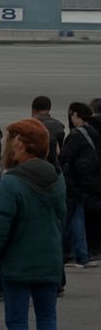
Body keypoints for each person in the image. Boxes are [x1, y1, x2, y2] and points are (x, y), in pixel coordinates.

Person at [0, 119, 66, 330]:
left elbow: (0, 229)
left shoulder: (11, 182)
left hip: (17, 264)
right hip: (50, 260)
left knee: (17, 320)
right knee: (48, 318)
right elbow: (61, 217)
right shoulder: (57, 178)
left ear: (20, 143)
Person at [59, 102, 101, 268]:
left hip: (74, 183)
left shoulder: (76, 135)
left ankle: (66, 253)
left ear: (77, 115)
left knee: (68, 218)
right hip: (88, 183)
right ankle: (82, 255)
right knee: (77, 216)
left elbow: (65, 157)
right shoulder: (93, 132)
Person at [29, 96, 65, 166]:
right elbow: (60, 151)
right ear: (49, 109)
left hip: (38, 165)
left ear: (33, 110)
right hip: (56, 168)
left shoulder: (31, 126)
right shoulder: (59, 126)